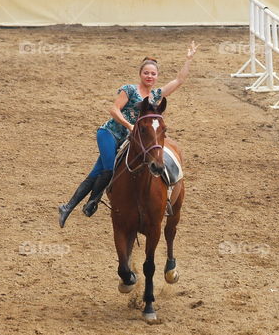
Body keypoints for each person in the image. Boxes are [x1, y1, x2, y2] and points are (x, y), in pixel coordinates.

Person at [59, 41, 199, 228]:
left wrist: (188, 59)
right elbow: (114, 109)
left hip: (129, 140)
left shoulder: (156, 95)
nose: (149, 76)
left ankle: (68, 207)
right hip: (110, 134)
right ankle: (93, 201)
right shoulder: (130, 90)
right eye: (146, 73)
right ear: (140, 74)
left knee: (97, 172)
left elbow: (179, 80)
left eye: (153, 74)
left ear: (157, 77)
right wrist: (129, 125)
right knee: (109, 169)